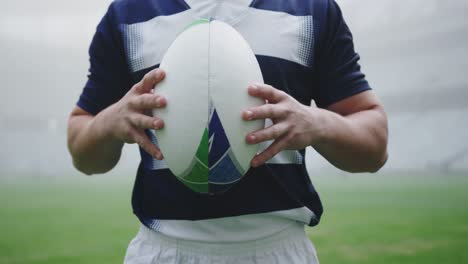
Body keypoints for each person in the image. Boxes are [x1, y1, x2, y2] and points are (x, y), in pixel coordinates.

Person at [67, 0, 388, 263]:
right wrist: (109, 123)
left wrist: (318, 123)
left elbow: (375, 145)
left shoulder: (310, 9)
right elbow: (82, 151)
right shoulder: (128, 14)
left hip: (278, 251)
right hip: (164, 251)